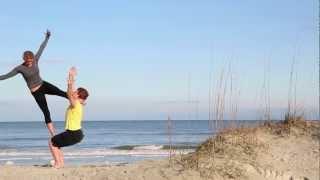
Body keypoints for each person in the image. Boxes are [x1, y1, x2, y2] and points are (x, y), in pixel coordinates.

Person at [0, 30, 67, 136]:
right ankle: (53, 134)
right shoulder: (19, 68)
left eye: (31, 61)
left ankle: (79, 101)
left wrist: (47, 38)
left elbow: (42, 48)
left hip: (43, 84)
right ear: (24, 60)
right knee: (46, 111)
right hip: (36, 92)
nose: (30, 63)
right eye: (28, 61)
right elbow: (6, 76)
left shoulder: (35, 59)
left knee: (61, 92)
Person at [49, 67, 89, 168]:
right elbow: (70, 94)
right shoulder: (78, 104)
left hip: (74, 133)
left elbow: (68, 93)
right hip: (75, 134)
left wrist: (70, 81)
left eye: (76, 92)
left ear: (79, 96)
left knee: (51, 142)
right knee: (57, 143)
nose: (73, 93)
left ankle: (58, 163)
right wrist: (71, 78)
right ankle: (61, 163)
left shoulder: (75, 104)